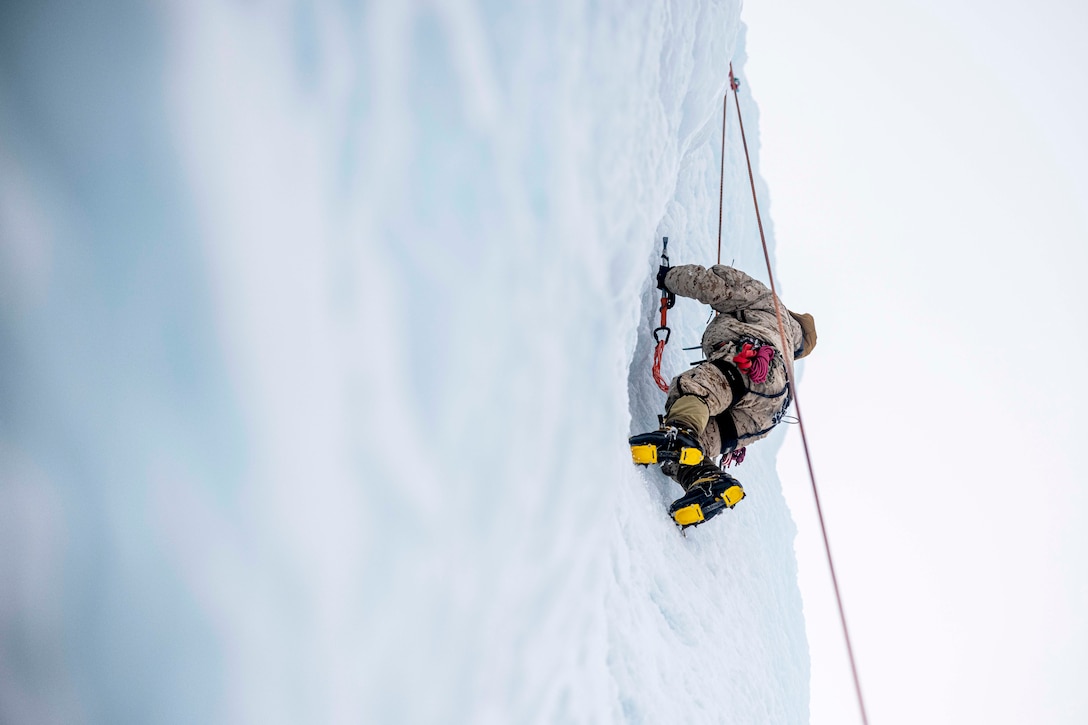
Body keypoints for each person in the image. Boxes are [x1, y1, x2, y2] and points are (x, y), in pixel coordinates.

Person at [629, 263, 817, 528]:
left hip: (753, 359)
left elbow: (716, 285)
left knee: (696, 389)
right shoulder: (788, 352)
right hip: (768, 412)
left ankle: (679, 433)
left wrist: (667, 277)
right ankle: (708, 483)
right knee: (693, 448)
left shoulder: (769, 304)